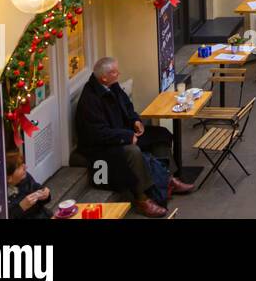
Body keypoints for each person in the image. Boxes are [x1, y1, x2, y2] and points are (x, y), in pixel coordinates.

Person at [74, 56, 191, 217]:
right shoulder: (89, 101)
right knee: (133, 152)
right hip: (103, 147)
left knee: (160, 134)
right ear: (104, 77)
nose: (119, 74)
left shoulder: (112, 86)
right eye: (115, 72)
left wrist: (135, 120)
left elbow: (127, 107)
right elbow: (98, 134)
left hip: (122, 132)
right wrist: (127, 136)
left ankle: (168, 179)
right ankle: (142, 198)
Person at [5, 148, 52, 219]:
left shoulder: (25, 177)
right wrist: (21, 207)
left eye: (23, 163)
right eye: (19, 166)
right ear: (9, 178)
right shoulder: (1, 197)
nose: (25, 167)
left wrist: (45, 194)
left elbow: (37, 189)